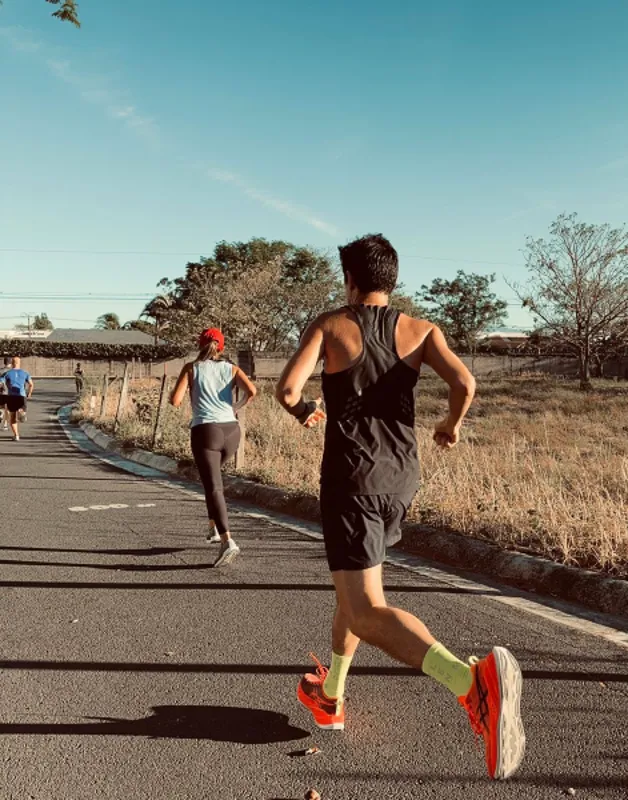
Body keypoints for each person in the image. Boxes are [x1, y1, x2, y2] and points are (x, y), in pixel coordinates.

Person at [275, 234, 526, 781]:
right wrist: (450, 426)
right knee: (357, 590)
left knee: (365, 609)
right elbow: (464, 382)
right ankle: (331, 695)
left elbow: (287, 390)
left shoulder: (330, 324)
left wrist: (307, 412)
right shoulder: (421, 329)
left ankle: (471, 684)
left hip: (352, 478)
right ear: (391, 279)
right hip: (401, 476)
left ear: (350, 280)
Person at [169, 328, 257, 567]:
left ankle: (228, 541)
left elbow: (175, 401)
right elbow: (252, 391)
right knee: (212, 482)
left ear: (200, 346)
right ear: (222, 347)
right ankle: (213, 528)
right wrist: (234, 408)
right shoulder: (231, 368)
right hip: (231, 431)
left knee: (214, 487)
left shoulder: (191, 368)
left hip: (205, 431)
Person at [3, 356, 34, 441]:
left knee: (12, 417)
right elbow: (31, 384)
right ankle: (22, 411)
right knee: (21, 408)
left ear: (12, 363)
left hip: (11, 397)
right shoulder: (25, 373)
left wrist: (8, 387)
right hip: (21, 396)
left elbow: (2, 383)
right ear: (19, 363)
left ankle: (16, 435)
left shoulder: (7, 373)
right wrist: (29, 393)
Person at [0, 356, 11, 431]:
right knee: (8, 409)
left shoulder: (0, 371)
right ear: (10, 363)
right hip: (10, 393)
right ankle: (5, 424)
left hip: (1, 392)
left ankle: (0, 415)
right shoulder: (12, 371)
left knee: (1, 407)